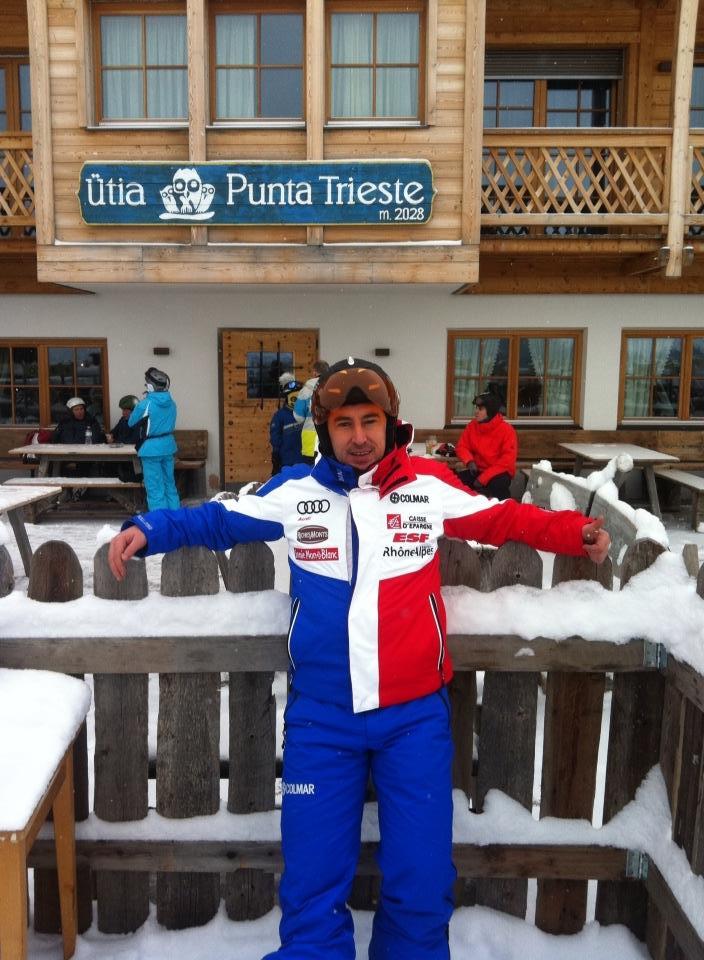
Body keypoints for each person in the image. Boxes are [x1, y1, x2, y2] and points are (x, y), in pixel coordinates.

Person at [108, 357, 609, 960]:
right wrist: (151, 528)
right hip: (322, 718)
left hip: (414, 717)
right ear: (325, 429)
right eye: (344, 424)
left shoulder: (428, 486)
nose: (359, 436)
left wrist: (573, 531)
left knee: (421, 881)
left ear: (390, 424)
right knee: (311, 882)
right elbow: (220, 519)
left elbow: (503, 518)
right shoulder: (297, 492)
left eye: (370, 420)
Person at [128, 367, 179, 511]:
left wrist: (141, 403)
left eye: (146, 384)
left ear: (150, 386)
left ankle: (160, 521)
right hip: (168, 446)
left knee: (155, 488)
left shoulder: (146, 403)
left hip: (150, 449)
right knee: (170, 485)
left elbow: (131, 422)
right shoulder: (172, 403)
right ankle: (176, 518)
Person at [455, 392, 518, 501]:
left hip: (498, 473)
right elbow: (462, 446)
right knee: (455, 482)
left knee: (498, 485)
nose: (476, 412)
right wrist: (469, 461)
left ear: (490, 411)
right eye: (476, 408)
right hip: (477, 470)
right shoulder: (472, 426)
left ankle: (503, 508)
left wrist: (483, 479)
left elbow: (506, 461)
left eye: (480, 409)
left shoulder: (507, 430)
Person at [293, 359, 329, 464]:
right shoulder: (334, 387)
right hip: (329, 436)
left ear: (314, 372)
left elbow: (298, 417)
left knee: (310, 470)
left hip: (310, 439)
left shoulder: (306, 389)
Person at [269, 379, 305, 475]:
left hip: (306, 462)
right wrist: (276, 455)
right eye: (294, 397)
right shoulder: (280, 416)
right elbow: (275, 438)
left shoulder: (308, 414)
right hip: (287, 462)